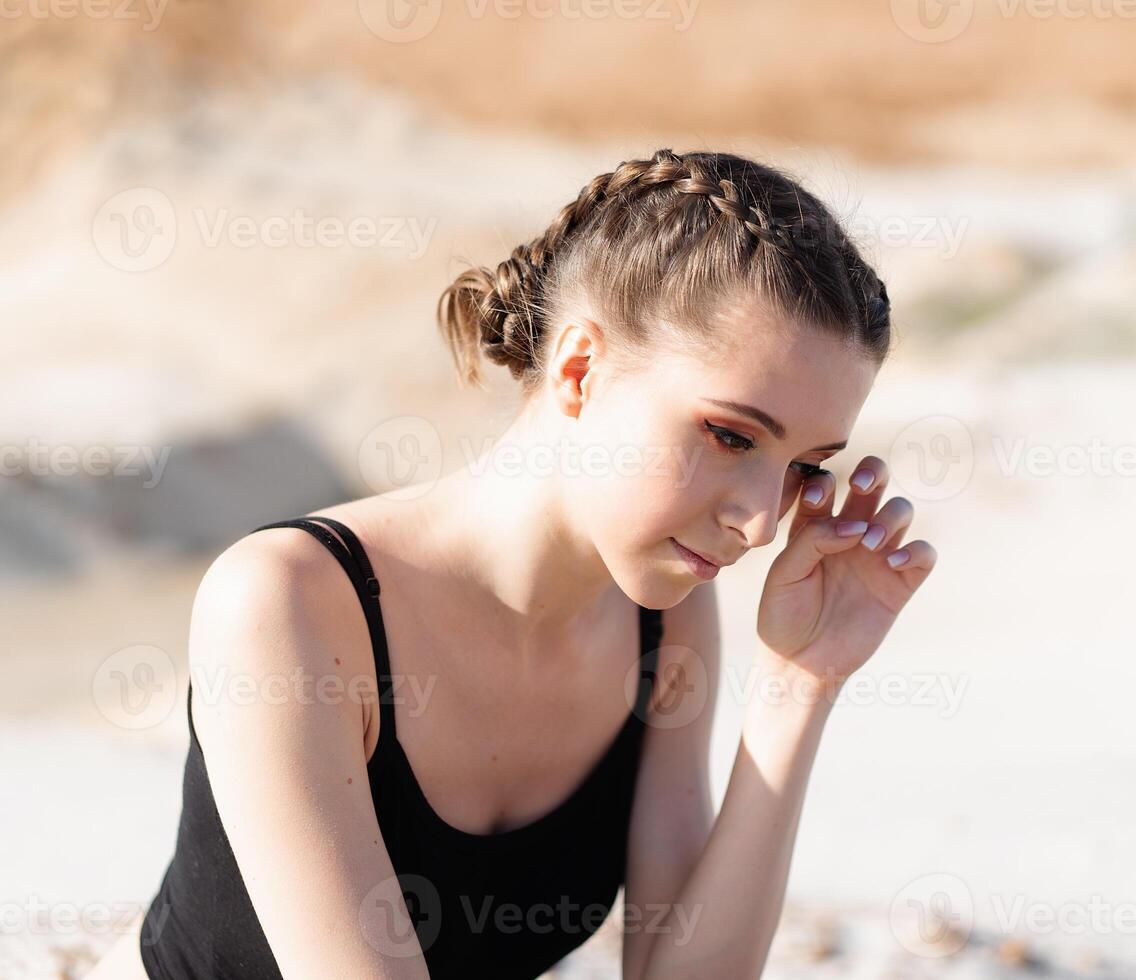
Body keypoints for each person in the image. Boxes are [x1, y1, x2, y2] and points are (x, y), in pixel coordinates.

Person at [88, 147, 937, 979]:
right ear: (579, 369)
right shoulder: (289, 602)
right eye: (728, 436)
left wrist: (799, 686)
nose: (760, 524)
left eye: (803, 469)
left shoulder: (667, 616)